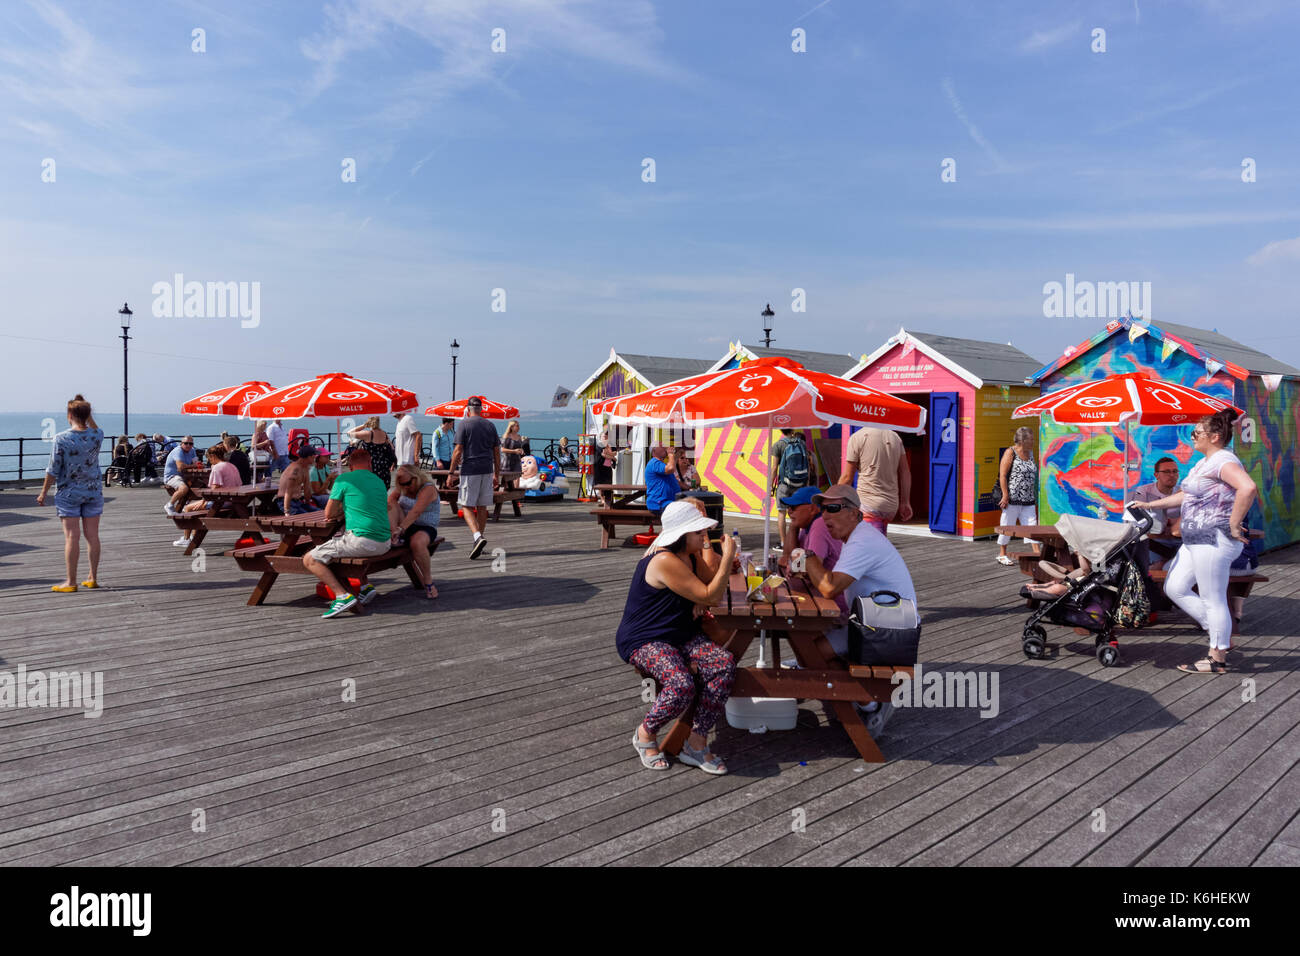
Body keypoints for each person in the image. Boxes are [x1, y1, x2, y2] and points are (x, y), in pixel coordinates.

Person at [1127, 409, 1257, 675]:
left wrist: (1234, 523)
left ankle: (1217, 657)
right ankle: (1221, 633)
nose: (1192, 436)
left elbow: (1248, 488)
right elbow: (1186, 496)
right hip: (1194, 539)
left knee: (1212, 598)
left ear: (1215, 436)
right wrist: (1150, 503)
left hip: (1213, 538)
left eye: (1197, 433)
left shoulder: (1223, 460)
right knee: (1175, 587)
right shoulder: (1204, 462)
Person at [616, 500, 738, 774]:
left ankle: (695, 742)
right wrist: (727, 557)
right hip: (645, 638)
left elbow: (708, 585)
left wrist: (702, 595)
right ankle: (645, 734)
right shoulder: (664, 560)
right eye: (699, 532)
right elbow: (713, 594)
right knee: (681, 685)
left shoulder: (689, 554)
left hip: (679, 633)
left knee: (723, 664)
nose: (704, 535)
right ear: (683, 535)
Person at [803, 484, 919, 735]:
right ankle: (854, 696)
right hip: (878, 619)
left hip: (890, 628)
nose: (825, 516)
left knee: (813, 652)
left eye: (833, 508)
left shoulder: (862, 541)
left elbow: (828, 587)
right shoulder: (856, 537)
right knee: (811, 646)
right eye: (822, 509)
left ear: (855, 513)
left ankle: (870, 704)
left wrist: (808, 554)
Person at [303, 446, 392, 618]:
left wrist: (339, 511)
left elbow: (328, 514)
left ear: (350, 465)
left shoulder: (344, 480)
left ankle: (342, 595)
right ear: (369, 463)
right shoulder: (379, 481)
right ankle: (365, 587)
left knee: (310, 559)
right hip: (384, 542)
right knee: (343, 547)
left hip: (363, 541)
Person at [36, 394, 104, 592]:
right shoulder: (97, 436)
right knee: (93, 536)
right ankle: (92, 577)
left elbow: (53, 470)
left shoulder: (62, 438)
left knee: (71, 537)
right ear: (88, 414)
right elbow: (94, 427)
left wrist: (43, 493)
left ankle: (71, 582)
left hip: (69, 494)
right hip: (93, 492)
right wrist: (86, 412)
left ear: (70, 414)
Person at [779, 486, 846, 613]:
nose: (789, 511)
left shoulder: (820, 525)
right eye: (788, 508)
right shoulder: (806, 525)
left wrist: (791, 564)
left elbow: (804, 570)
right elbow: (787, 557)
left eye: (793, 507)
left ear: (813, 509)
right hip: (818, 595)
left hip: (833, 606)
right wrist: (793, 526)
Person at [448, 396, 500, 559]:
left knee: (466, 505)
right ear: (481, 409)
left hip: (470, 469)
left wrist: (451, 472)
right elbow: (497, 452)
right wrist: (496, 473)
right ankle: (478, 539)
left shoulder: (464, 424)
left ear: (468, 409)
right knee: (482, 506)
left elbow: (458, 450)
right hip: (486, 469)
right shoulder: (490, 425)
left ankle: (477, 537)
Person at [840, 426, 912, 534]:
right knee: (878, 543)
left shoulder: (857, 437)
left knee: (870, 546)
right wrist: (905, 502)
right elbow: (905, 472)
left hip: (868, 504)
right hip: (891, 505)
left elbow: (847, 478)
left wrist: (832, 501)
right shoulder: (895, 437)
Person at [389, 463, 441, 599]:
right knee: (390, 504)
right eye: (401, 484)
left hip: (425, 526)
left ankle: (428, 581)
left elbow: (416, 511)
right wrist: (395, 528)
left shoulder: (428, 489)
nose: (405, 487)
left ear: (416, 478)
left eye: (407, 483)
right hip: (404, 526)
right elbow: (390, 501)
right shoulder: (403, 487)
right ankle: (394, 537)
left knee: (417, 543)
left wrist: (401, 528)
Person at [176, 445, 243, 545]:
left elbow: (214, 489)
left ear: (213, 456)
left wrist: (203, 501)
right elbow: (239, 484)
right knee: (196, 509)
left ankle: (186, 539)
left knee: (188, 508)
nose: (208, 461)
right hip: (234, 501)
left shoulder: (217, 468)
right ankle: (193, 537)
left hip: (222, 502)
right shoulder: (232, 466)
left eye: (208, 458)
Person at [996, 427, 1042, 566]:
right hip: (1013, 498)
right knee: (1007, 525)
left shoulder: (1031, 453)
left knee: (1032, 526)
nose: (1033, 442)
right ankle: (1002, 554)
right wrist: (1005, 495)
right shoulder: (1011, 452)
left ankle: (1037, 554)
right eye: (1031, 439)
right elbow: (1003, 475)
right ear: (1023, 440)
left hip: (1028, 498)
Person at [1132, 457, 1183, 568]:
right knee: (1156, 567)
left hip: (1178, 541)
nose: (1172, 475)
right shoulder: (1144, 491)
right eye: (1167, 471)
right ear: (1156, 475)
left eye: (1175, 471)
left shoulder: (1181, 493)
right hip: (1154, 542)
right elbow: (1137, 521)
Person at [769, 428, 810, 541]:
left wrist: (770, 486)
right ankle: (798, 540)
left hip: (784, 485)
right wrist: (806, 483)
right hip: (800, 483)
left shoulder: (778, 445)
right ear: (792, 430)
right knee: (798, 512)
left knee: (782, 512)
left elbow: (774, 468)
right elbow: (807, 464)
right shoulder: (801, 443)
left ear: (781, 431)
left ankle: (783, 542)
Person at [346, 417, 397, 487]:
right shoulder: (384, 434)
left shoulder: (368, 434)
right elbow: (392, 447)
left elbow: (349, 433)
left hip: (371, 465)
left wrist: (363, 426)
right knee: (382, 489)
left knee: (371, 488)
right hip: (383, 466)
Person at [278, 445, 321, 515]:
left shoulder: (305, 468)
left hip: (298, 502)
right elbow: (288, 491)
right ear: (308, 457)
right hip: (286, 502)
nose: (315, 459)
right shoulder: (295, 470)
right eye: (314, 457)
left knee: (320, 513)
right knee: (307, 517)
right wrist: (287, 511)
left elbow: (307, 489)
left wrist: (308, 504)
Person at [162, 435, 199, 515]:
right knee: (184, 488)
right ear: (181, 444)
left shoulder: (192, 450)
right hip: (172, 476)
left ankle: (187, 504)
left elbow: (196, 462)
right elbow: (180, 467)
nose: (188, 445)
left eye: (191, 444)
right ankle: (170, 505)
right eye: (186, 443)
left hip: (184, 476)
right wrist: (194, 465)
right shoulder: (178, 451)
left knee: (202, 485)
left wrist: (197, 465)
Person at [644, 445, 680, 518]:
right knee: (685, 511)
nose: (664, 447)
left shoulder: (661, 464)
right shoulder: (654, 462)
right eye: (661, 446)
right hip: (659, 503)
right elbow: (671, 468)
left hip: (666, 502)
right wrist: (670, 454)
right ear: (654, 451)